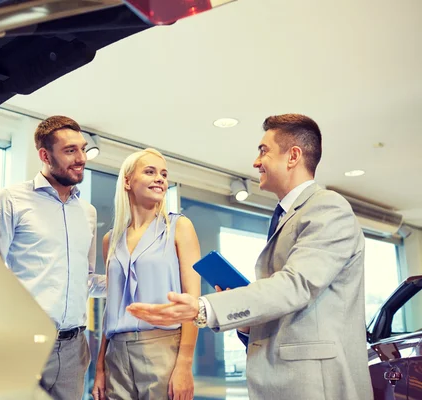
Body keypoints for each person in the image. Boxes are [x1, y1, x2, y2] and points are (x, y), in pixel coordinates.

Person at [127, 114, 373, 400]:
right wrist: (248, 324)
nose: (256, 162)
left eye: (263, 151)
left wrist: (205, 307)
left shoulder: (328, 207)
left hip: (317, 385)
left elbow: (296, 286)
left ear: (293, 156)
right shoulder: (285, 216)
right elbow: (287, 304)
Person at [0, 115, 106, 400]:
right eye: (70, 151)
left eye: (82, 149)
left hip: (74, 348)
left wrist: (130, 279)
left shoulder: (87, 212)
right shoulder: (12, 199)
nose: (81, 158)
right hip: (25, 344)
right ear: (45, 155)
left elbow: (85, 280)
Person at [91, 148, 201, 400]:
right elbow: (112, 308)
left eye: (163, 174)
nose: (160, 178)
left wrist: (184, 364)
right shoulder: (111, 240)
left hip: (163, 348)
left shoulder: (179, 227)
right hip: (116, 352)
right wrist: (100, 367)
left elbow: (193, 304)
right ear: (128, 181)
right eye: (150, 172)